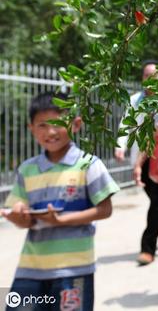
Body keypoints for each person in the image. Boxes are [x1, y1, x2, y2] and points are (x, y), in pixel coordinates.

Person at [1, 92, 119, 311]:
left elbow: (105, 209)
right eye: (42, 125)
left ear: (75, 124)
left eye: (57, 123)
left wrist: (62, 220)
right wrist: (19, 215)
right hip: (30, 268)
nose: (51, 131)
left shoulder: (88, 164)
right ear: (31, 129)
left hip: (73, 269)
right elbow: (23, 216)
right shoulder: (27, 169)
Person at [115, 60, 158, 266]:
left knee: (157, 201)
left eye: (154, 76)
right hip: (142, 157)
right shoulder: (135, 100)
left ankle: (147, 248)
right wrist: (120, 145)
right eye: (146, 76)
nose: (150, 80)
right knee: (155, 199)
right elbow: (126, 122)